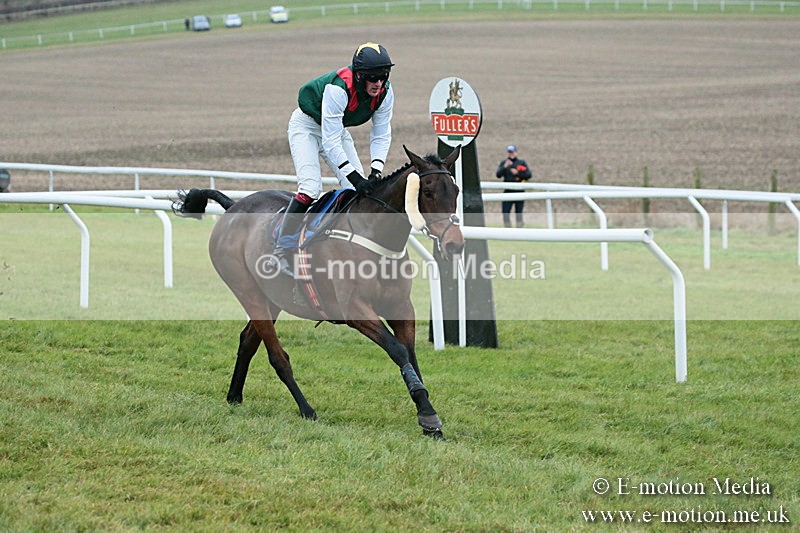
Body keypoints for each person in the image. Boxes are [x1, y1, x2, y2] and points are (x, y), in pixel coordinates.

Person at [266, 42, 395, 276]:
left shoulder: (386, 92)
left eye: (383, 76)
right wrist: (356, 178)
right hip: (307, 126)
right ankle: (281, 249)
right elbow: (330, 141)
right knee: (310, 188)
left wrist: (376, 170)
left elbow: (381, 133)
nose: (378, 83)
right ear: (359, 76)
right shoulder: (338, 88)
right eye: (372, 77)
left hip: (335, 129)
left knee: (356, 193)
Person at [495, 144, 532, 228]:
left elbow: (528, 175)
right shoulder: (504, 163)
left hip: (519, 191)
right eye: (509, 152)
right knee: (505, 213)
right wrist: (504, 167)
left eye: (512, 152)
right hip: (508, 191)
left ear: (516, 152)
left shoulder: (521, 163)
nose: (511, 154)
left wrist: (517, 173)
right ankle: (508, 230)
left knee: (519, 213)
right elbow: (498, 175)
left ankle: (519, 230)